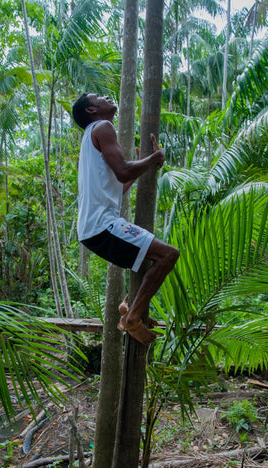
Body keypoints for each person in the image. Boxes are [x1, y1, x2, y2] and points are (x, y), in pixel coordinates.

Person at [72, 93, 179, 345]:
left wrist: (143, 167)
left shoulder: (90, 139)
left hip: (92, 230)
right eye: (98, 97)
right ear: (91, 110)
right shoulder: (103, 126)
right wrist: (154, 158)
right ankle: (132, 317)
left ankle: (129, 304)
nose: (106, 97)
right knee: (168, 255)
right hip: (102, 225)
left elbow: (117, 186)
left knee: (148, 259)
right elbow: (122, 171)